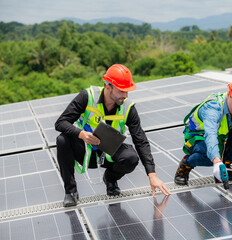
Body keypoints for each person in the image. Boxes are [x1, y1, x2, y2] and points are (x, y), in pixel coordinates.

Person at [55, 64, 171, 207]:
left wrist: (152, 175)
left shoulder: (128, 108)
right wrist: (81, 134)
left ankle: (110, 179)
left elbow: (140, 140)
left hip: (108, 155)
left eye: (127, 91)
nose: (125, 95)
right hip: (86, 152)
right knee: (62, 140)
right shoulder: (87, 97)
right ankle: (70, 192)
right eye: (122, 90)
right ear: (108, 86)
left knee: (131, 158)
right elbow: (60, 122)